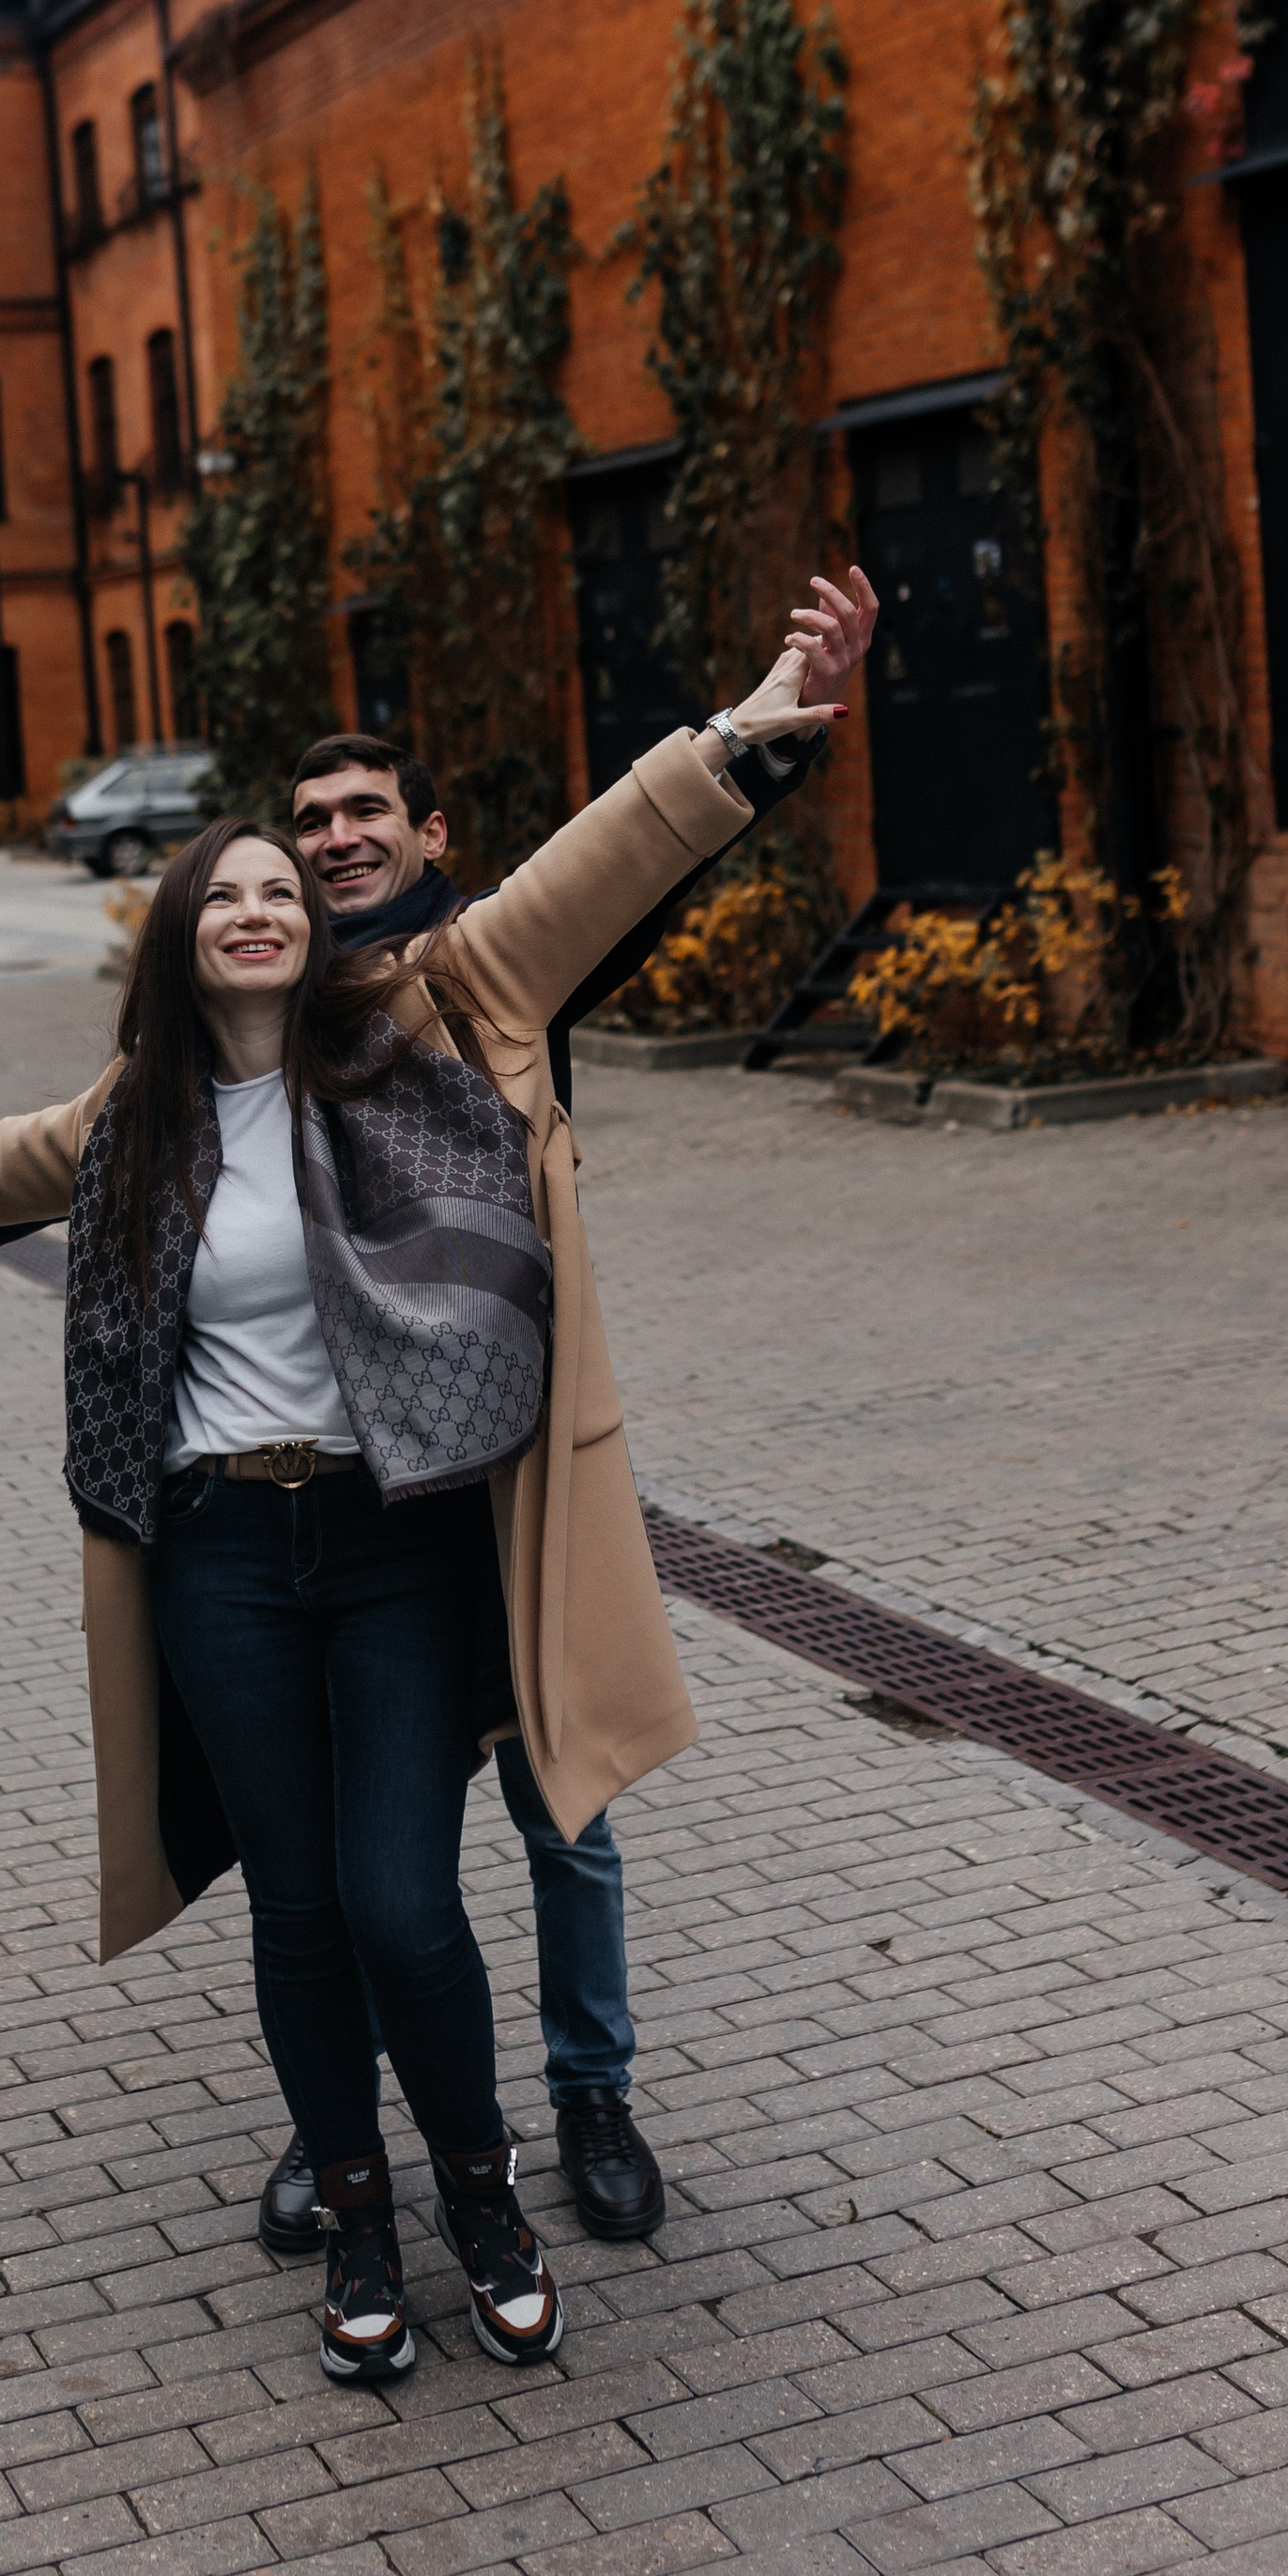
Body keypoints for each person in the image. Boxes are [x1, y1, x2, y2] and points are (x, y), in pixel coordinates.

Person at [0, 572, 879, 2389]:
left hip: (388, 1537)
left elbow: (606, 858)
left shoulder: (436, 1004)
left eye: (300, 881)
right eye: (246, 885)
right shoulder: (139, 1112)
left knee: (396, 1898)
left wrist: (759, 712)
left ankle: (486, 2194)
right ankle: (357, 2217)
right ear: (191, 937)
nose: (278, 898)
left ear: (336, 914)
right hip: (216, 1546)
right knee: (293, 1910)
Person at [254, 622, 851, 2261]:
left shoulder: (500, 958)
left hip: (507, 1468)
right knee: (375, 1839)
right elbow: (91, 1137)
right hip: (359, 1481)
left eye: (368, 809)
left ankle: (592, 2091)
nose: (338, 836)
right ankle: (344, 2129)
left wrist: (760, 731)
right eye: (311, 822)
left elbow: (627, 850)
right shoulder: (264, 1007)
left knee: (560, 1804)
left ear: (431, 837)